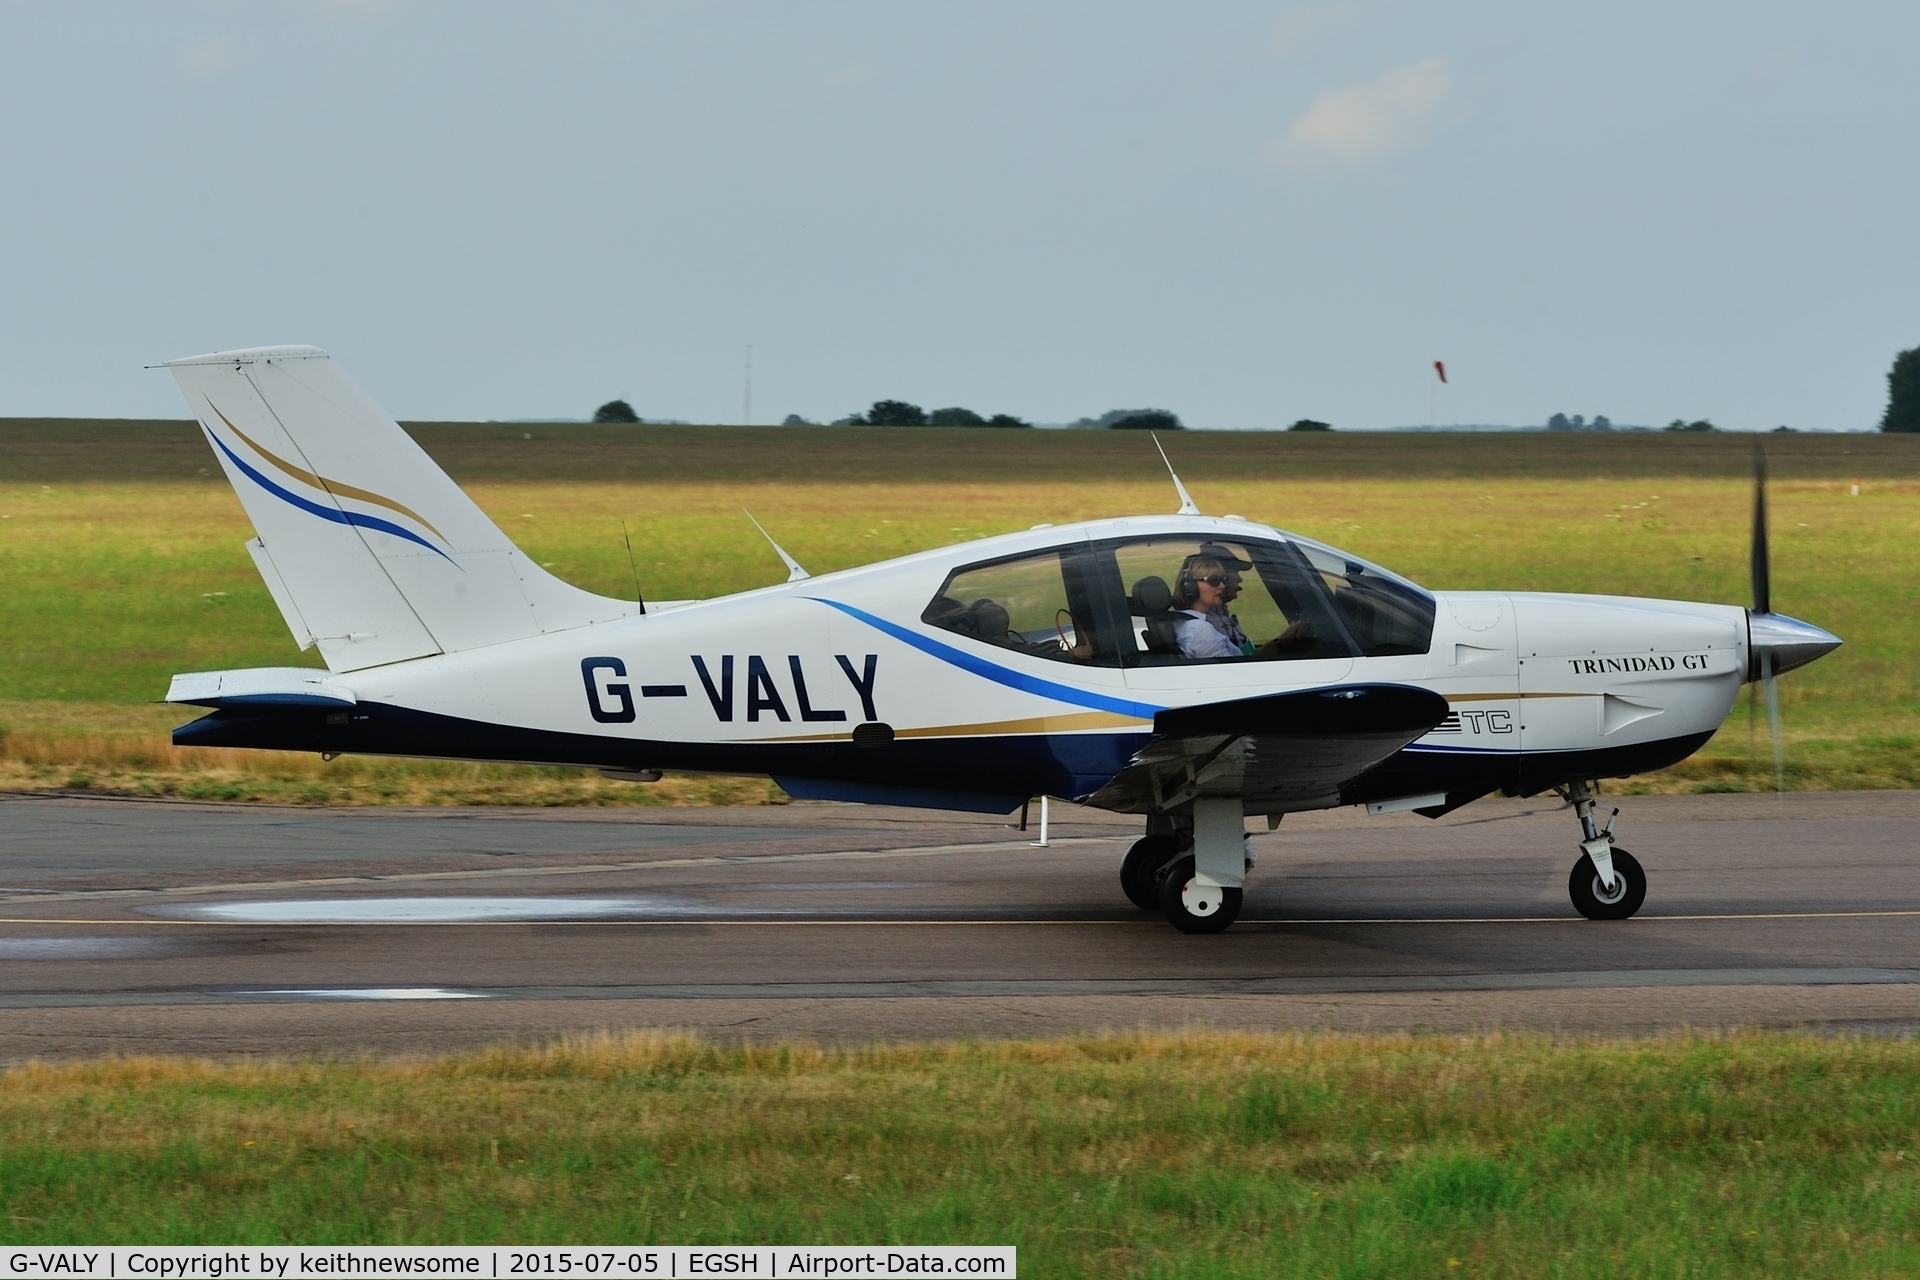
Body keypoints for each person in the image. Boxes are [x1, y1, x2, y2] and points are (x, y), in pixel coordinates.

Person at [1172, 556, 1253, 659]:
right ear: (1189, 586)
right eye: (1214, 580)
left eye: (1223, 580)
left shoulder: (1183, 622)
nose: (1222, 586)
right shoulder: (1202, 631)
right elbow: (1232, 671)